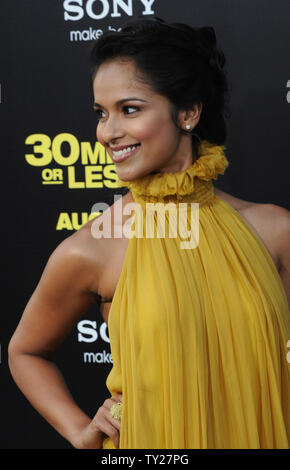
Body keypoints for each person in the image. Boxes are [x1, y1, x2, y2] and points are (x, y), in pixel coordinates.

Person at [8, 17, 290, 449]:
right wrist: (79, 430)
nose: (107, 132)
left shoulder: (274, 230)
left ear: (189, 112)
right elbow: (25, 353)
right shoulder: (92, 249)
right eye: (101, 113)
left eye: (130, 109)